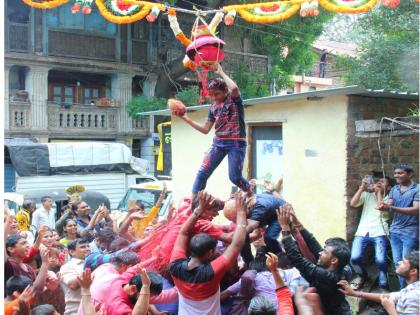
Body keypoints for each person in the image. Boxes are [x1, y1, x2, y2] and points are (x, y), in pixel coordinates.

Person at [169, 192, 249, 315]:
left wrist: (199, 209)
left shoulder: (175, 266)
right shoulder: (212, 272)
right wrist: (242, 213)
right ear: (210, 253)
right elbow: (237, 244)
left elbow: (183, 233)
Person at [181, 64, 252, 198]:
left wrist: (221, 72)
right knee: (203, 173)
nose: (214, 97)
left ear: (226, 91)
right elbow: (205, 129)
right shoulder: (213, 106)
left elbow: (235, 88)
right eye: (211, 95)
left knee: (234, 177)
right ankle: (194, 202)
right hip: (218, 143)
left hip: (235, 143)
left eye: (217, 94)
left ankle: (249, 192)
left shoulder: (234, 99)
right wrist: (186, 119)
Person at [278, 207, 351, 314]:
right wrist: (298, 223)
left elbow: (298, 260)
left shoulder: (328, 277)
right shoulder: (335, 266)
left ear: (334, 260)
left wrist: (285, 228)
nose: (320, 253)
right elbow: (314, 245)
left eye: (324, 252)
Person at [338, 251, 419, 315]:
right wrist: (355, 293)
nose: (399, 263)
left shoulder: (413, 297)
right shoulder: (414, 287)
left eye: (404, 263)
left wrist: (391, 310)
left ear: (413, 271)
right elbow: (388, 296)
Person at [378, 163, 419, 288]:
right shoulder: (395, 189)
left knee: (408, 265)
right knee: (398, 264)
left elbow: (416, 210)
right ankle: (402, 293)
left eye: (400, 173)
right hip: (395, 231)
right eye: (395, 173)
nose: (396, 175)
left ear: (410, 174)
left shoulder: (417, 189)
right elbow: (389, 203)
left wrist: (392, 208)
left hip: (410, 232)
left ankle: (410, 294)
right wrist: (384, 205)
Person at [350, 175, 391, 289]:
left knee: (380, 259)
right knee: (354, 258)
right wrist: (361, 188)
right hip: (363, 231)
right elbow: (353, 203)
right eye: (378, 181)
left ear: (389, 188)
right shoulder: (368, 195)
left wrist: (378, 192)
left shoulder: (389, 200)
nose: (379, 183)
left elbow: (380, 206)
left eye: (383, 182)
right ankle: (362, 275)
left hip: (380, 232)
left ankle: (383, 281)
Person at [224, 193, 286, 264]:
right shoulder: (245, 207)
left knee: (269, 237)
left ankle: (280, 258)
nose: (234, 222)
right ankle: (249, 262)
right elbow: (254, 234)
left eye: (235, 219)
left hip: (281, 213)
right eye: (231, 220)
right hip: (268, 213)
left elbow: (251, 231)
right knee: (243, 236)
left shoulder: (259, 208)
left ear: (243, 210)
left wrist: (234, 239)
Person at [60, 238, 91, 315]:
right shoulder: (68, 266)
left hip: (93, 308)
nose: (87, 249)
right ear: (72, 252)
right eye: (83, 247)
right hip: (75, 311)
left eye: (88, 246)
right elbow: (73, 285)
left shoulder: (93, 262)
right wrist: (90, 266)